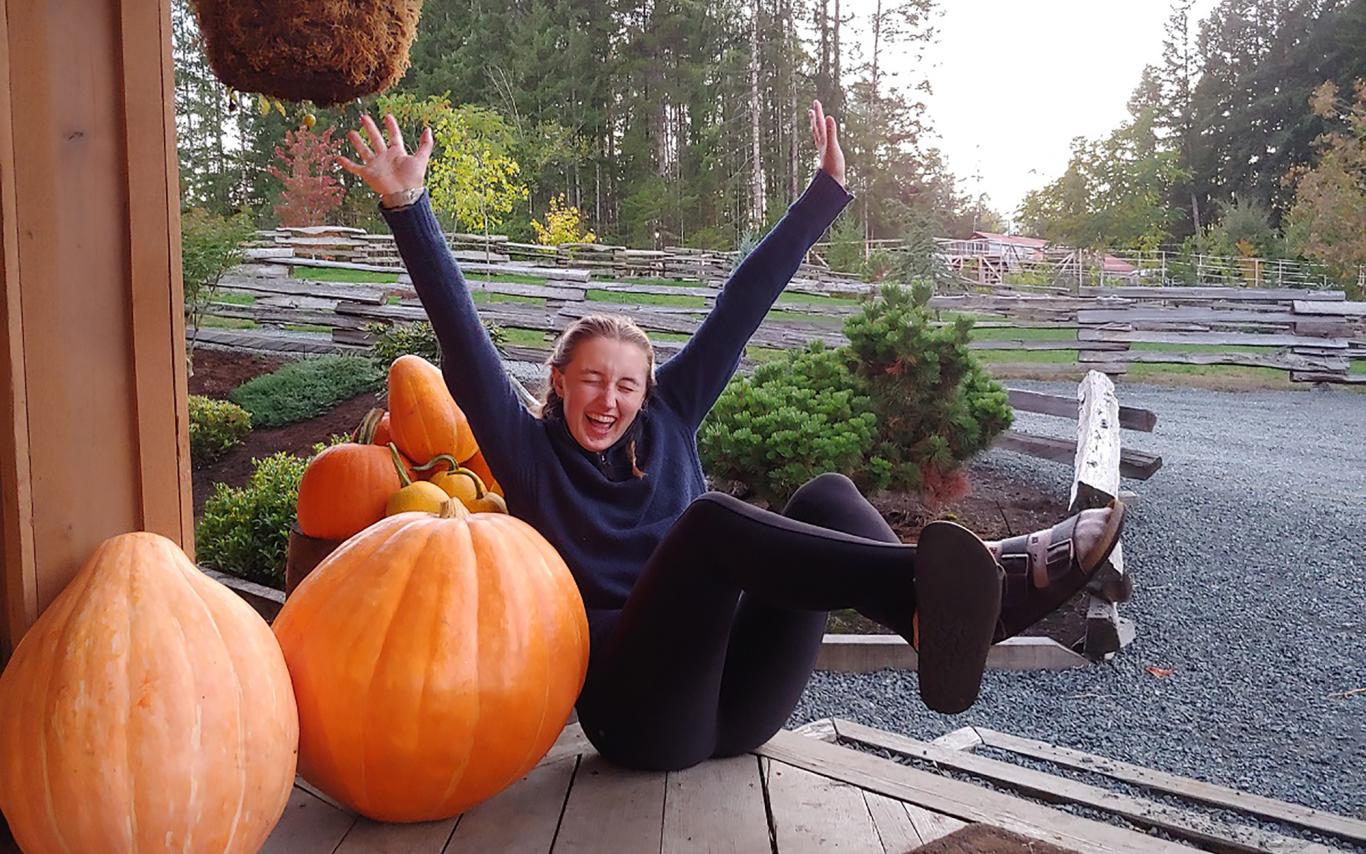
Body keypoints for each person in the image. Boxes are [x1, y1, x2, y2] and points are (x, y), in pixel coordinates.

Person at [339, 103, 1128, 772]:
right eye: (590, 381)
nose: (608, 400)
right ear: (557, 384)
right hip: (638, 718)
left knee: (827, 495)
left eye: (625, 384)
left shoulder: (672, 416)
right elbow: (464, 340)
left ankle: (925, 611)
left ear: (648, 392)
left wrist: (826, 194)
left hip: (740, 706)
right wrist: (410, 208)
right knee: (709, 524)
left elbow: (740, 303)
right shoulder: (528, 451)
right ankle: (934, 589)